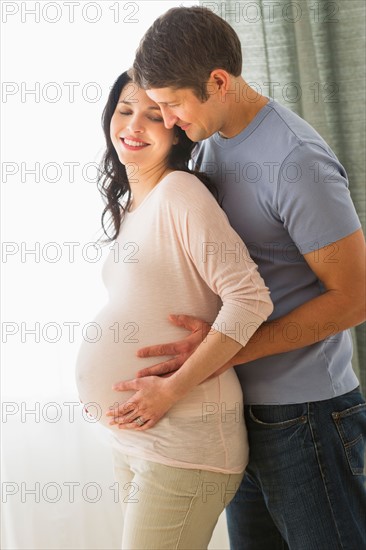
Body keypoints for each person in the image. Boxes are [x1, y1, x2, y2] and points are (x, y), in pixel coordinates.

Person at [111, 7, 366, 550]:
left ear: (219, 82)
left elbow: (354, 299)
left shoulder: (296, 161)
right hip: (236, 414)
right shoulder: (209, 143)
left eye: (172, 105)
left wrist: (220, 354)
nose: (169, 120)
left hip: (306, 417)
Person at [75, 69, 273, 550]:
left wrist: (170, 390)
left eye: (153, 115)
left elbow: (251, 298)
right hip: (138, 436)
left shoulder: (181, 194)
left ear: (176, 128)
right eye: (124, 111)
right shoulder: (134, 206)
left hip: (185, 440)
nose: (134, 126)